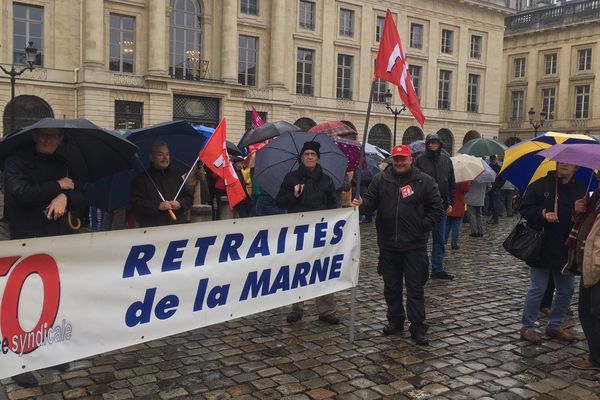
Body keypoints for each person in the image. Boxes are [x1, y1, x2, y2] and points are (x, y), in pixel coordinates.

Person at [3, 127, 87, 387]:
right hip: (27, 240)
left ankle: (50, 351)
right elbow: (21, 194)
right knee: (25, 302)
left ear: (61, 140)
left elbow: (83, 196)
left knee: (54, 299)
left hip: (57, 241)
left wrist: (65, 196)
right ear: (35, 137)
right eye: (45, 135)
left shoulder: (65, 163)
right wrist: (57, 186)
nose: (50, 140)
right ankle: (18, 360)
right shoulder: (15, 162)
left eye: (55, 136)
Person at [352, 145, 444, 345]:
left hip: (414, 246)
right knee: (391, 287)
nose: (400, 162)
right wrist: (361, 204)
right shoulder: (381, 179)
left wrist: (423, 226)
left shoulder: (425, 181)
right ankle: (395, 321)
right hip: (387, 245)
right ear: (392, 160)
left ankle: (418, 326)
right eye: (397, 159)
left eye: (403, 159)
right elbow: (370, 202)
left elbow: (437, 208)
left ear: (410, 159)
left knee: (415, 288)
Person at [519, 162, 586, 344]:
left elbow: (583, 221)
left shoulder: (581, 189)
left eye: (569, 163)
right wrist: (542, 214)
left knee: (566, 290)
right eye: (561, 161)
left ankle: (554, 325)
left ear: (576, 168)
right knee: (537, 288)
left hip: (566, 248)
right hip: (542, 247)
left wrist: (580, 211)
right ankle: (528, 327)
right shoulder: (542, 185)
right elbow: (524, 208)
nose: (564, 165)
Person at [276, 141, 340, 325]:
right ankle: (297, 308)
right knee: (298, 269)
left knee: (322, 269)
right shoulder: (291, 178)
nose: (310, 157)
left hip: (320, 232)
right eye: (307, 154)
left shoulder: (326, 180)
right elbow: (280, 202)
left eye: (313, 154)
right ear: (302, 157)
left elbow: (332, 206)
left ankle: (326, 309)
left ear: (318, 157)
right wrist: (293, 196)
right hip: (298, 231)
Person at [568, 169, 600, 370]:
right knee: (586, 311)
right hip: (588, 262)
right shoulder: (596, 195)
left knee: (595, 313)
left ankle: (597, 359)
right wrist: (577, 210)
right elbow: (583, 222)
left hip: (596, 263)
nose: (597, 173)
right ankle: (595, 355)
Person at [414, 133, 456, 280]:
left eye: (435, 142)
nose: (432, 145)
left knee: (440, 239)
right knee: (423, 239)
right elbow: (414, 182)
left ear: (440, 144)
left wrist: (451, 202)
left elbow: (451, 182)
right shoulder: (419, 160)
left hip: (441, 206)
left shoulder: (446, 160)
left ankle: (437, 268)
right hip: (423, 207)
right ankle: (423, 267)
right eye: (430, 142)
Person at [130, 141, 193, 227]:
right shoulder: (142, 180)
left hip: (177, 228)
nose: (165, 158)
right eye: (160, 154)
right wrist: (158, 206)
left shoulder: (176, 178)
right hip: (152, 229)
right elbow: (136, 203)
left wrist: (180, 204)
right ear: (152, 157)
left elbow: (188, 197)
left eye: (167, 154)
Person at [446, 181, 469, 250]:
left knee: (447, 224)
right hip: (458, 204)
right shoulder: (462, 179)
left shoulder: (448, 176)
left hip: (449, 203)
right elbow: (466, 189)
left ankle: (444, 241)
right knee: (456, 225)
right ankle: (454, 243)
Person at [487, 155, 504, 224]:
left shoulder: (499, 168)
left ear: (495, 159)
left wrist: (498, 187)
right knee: (491, 204)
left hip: (496, 189)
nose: (493, 160)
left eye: (494, 159)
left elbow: (503, 179)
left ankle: (495, 219)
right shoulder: (488, 167)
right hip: (490, 188)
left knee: (495, 204)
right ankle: (492, 218)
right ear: (490, 160)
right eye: (492, 159)